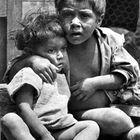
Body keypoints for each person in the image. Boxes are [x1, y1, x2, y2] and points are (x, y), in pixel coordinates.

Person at [2, 0, 140, 139]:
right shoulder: (55, 38)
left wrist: (94, 83)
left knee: (117, 119)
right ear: (58, 15)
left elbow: (129, 72)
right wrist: (32, 61)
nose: (75, 22)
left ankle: (128, 135)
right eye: (68, 14)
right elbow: (13, 72)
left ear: (99, 19)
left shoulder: (108, 40)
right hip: (59, 117)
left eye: (84, 16)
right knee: (115, 120)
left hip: (95, 113)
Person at [1, 11, 100, 140]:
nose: (60, 55)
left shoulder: (61, 75)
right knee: (10, 120)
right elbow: (23, 108)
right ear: (33, 53)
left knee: (91, 126)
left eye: (63, 49)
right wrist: (45, 135)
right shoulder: (30, 73)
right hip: (34, 131)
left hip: (60, 130)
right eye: (51, 51)